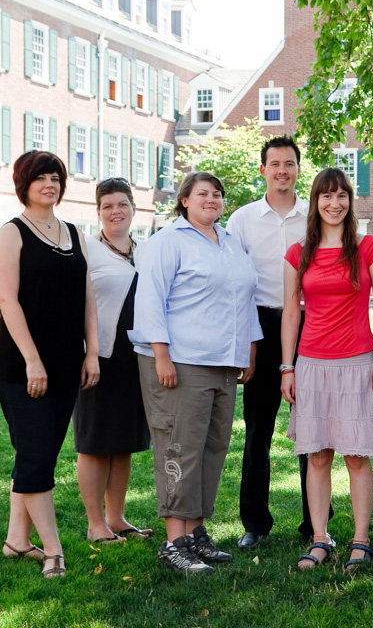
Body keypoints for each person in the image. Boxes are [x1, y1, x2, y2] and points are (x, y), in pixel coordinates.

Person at [129, 171, 262, 574]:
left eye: (218, 194)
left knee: (212, 448)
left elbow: (245, 298)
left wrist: (249, 350)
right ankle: (174, 541)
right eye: (202, 193)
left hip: (225, 363)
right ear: (184, 200)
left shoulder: (229, 242)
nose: (212, 199)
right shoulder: (167, 241)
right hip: (180, 363)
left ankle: (197, 532)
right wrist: (161, 355)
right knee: (179, 447)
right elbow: (150, 298)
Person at [0, 150, 100, 579]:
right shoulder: (12, 233)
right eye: (40, 178)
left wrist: (91, 351)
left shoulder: (73, 232)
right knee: (36, 455)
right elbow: (6, 300)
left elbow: (87, 296)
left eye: (55, 177)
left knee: (39, 455)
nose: (49, 184)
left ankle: (17, 541)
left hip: (68, 361)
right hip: (22, 367)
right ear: (24, 183)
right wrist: (33, 361)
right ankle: (53, 550)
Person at [280, 167, 373, 573]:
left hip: (357, 363)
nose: (334, 203)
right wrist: (286, 367)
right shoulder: (298, 253)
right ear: (315, 202)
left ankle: (361, 539)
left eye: (342, 195)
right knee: (318, 456)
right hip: (310, 364)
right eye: (326, 196)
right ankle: (321, 538)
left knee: (358, 456)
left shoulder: (370, 248)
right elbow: (291, 313)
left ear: (350, 201)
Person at [225, 136, 329, 549]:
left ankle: (314, 522)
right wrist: (245, 341)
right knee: (258, 430)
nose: (282, 170)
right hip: (261, 326)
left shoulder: (315, 217)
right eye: (275, 164)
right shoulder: (243, 219)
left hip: (311, 324)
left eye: (289, 163)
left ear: (299, 170)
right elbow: (235, 285)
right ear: (263, 169)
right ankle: (254, 522)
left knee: (312, 427)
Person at [72, 178, 152, 544]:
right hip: (99, 357)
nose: (116, 211)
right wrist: (87, 354)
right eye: (107, 206)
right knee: (95, 442)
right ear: (98, 212)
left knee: (124, 442)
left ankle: (116, 518)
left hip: (137, 357)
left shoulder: (148, 251)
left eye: (122, 204)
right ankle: (94, 524)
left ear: (134, 208)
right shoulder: (87, 250)